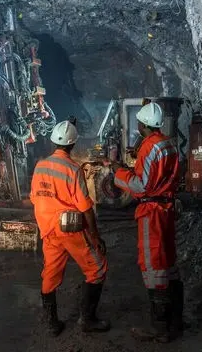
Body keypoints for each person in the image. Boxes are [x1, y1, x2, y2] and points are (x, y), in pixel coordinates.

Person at [112, 102, 184, 343]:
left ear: (141, 124)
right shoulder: (168, 143)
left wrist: (118, 173)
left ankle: (159, 327)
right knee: (168, 261)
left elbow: (141, 186)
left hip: (151, 211)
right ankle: (176, 320)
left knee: (153, 263)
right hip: (166, 208)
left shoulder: (148, 147)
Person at [30, 120, 110, 336]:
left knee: (50, 274)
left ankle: (52, 324)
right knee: (97, 268)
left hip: (48, 230)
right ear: (73, 144)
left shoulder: (40, 166)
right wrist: (96, 236)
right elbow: (86, 207)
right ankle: (87, 320)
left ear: (53, 141)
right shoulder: (73, 169)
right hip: (70, 230)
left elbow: (35, 198)